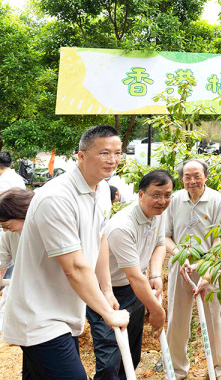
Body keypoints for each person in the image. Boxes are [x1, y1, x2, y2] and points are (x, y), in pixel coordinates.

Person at [1, 125, 129, 380]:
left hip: (66, 312)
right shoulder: (56, 197)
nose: (112, 160)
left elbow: (100, 238)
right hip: (39, 317)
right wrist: (108, 313)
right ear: (81, 156)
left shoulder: (102, 190)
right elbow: (74, 267)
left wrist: (106, 290)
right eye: (104, 153)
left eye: (117, 152)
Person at [87, 169, 173, 379]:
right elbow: (134, 276)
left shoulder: (157, 214)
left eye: (167, 195)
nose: (162, 201)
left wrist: (154, 275)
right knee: (110, 359)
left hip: (136, 291)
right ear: (141, 194)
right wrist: (157, 311)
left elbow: (159, 245)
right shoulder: (122, 226)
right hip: (108, 294)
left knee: (131, 355)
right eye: (156, 195)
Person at [165, 159, 221, 380]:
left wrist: (207, 271)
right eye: (187, 176)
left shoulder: (218, 200)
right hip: (181, 265)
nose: (192, 180)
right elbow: (165, 236)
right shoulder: (174, 200)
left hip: (210, 263)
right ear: (181, 178)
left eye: (197, 175)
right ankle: (177, 370)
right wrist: (179, 256)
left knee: (216, 320)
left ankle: (219, 370)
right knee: (177, 318)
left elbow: (220, 240)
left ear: (206, 176)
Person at [0, 188, 35, 321]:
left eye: (8, 225)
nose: (5, 229)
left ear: (24, 214)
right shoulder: (8, 235)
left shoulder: (48, 232)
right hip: (22, 302)